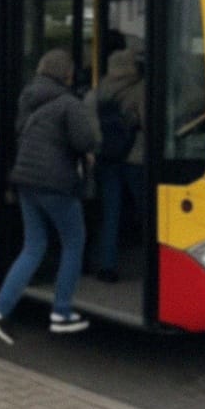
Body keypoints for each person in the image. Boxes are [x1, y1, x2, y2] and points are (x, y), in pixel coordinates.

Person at [0, 49, 99, 342]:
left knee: (33, 245)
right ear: (67, 74)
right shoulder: (70, 104)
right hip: (56, 183)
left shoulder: (28, 98)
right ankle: (61, 312)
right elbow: (85, 141)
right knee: (74, 242)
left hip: (26, 179)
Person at [86, 47, 146, 283]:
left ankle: (106, 265)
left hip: (107, 158)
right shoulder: (141, 89)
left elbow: (89, 127)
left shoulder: (98, 90)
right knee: (146, 211)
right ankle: (153, 262)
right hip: (136, 158)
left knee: (110, 212)